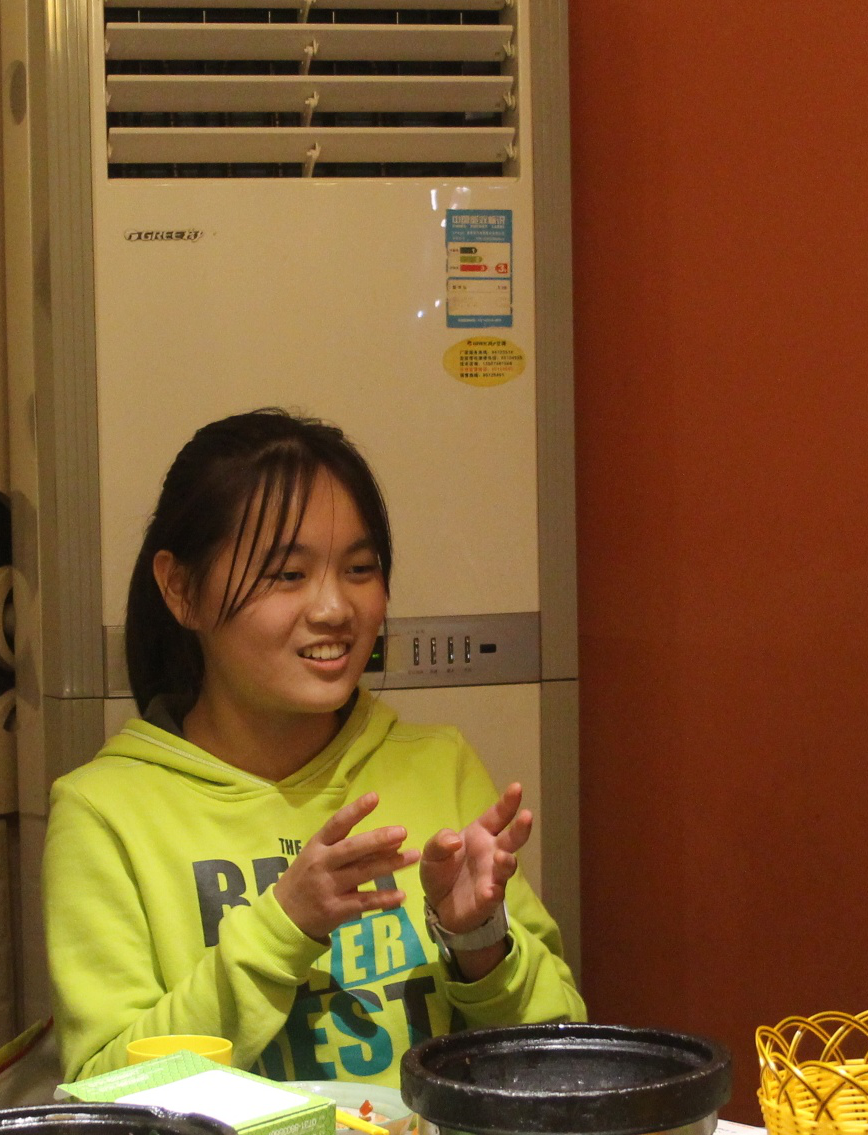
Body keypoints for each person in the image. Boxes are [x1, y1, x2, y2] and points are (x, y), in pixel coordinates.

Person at [44, 409, 584, 1086]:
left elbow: (565, 1054)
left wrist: (478, 943)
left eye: (359, 568)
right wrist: (284, 928)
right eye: (287, 575)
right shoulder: (104, 812)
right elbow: (105, 1092)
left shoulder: (438, 765)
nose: (334, 609)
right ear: (181, 589)